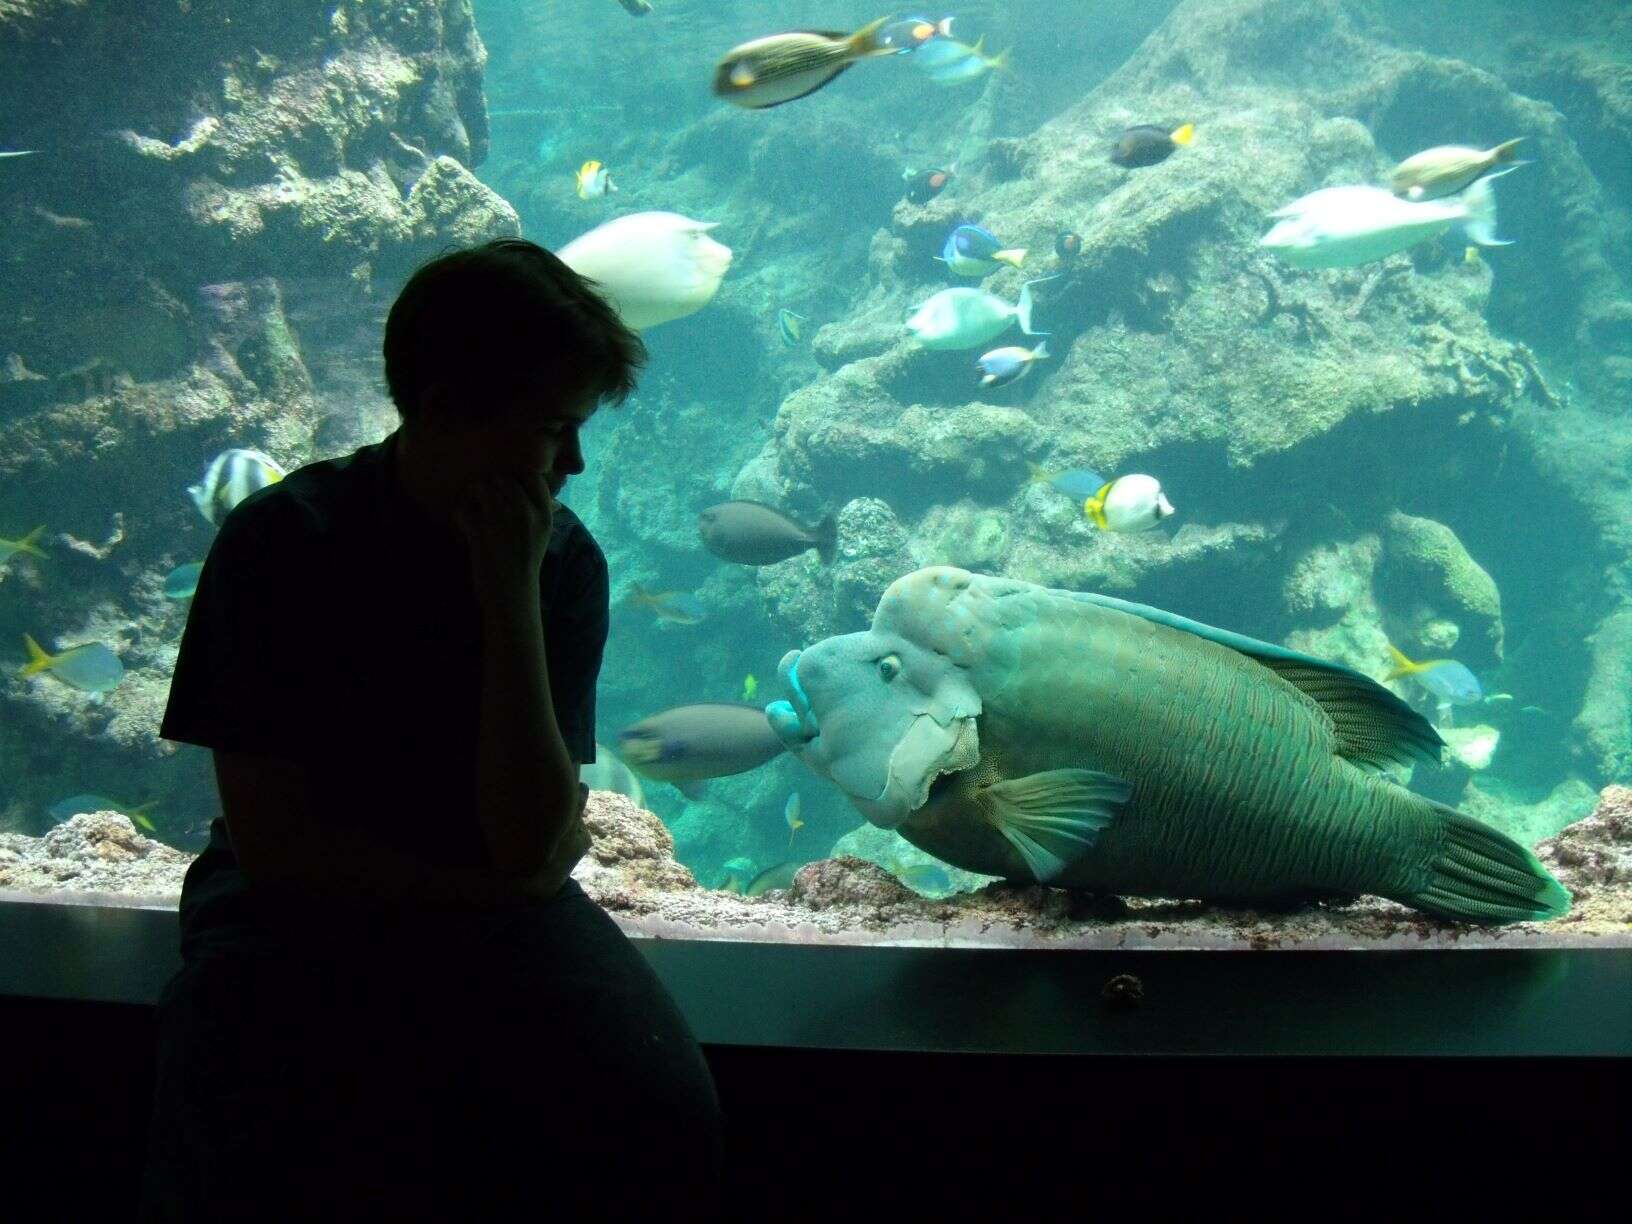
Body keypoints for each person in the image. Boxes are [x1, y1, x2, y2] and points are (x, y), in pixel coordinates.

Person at [139, 240, 723, 1219]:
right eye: (553, 428)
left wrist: (508, 597)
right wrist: (485, 888)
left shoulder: (561, 564)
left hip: (496, 900)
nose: (573, 462)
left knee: (668, 1110)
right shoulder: (282, 542)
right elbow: (277, 852)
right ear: (448, 407)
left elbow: (534, 835)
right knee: (247, 1135)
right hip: (298, 918)